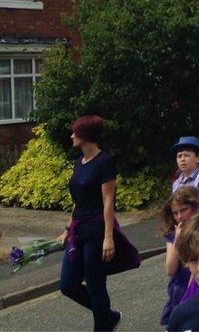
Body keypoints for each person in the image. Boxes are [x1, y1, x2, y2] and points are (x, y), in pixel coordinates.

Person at [58, 115, 137, 331]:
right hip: (78, 230)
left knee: (95, 286)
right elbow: (78, 201)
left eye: (76, 132)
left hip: (96, 231)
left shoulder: (104, 162)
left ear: (87, 135)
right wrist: (67, 229)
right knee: (67, 285)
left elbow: (108, 202)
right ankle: (108, 316)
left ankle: (102, 325)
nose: (72, 135)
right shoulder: (79, 163)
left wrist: (108, 238)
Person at [160, 187, 199, 326]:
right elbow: (170, 270)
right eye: (175, 213)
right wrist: (178, 240)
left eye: (183, 210)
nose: (179, 216)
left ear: (195, 208)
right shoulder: (174, 233)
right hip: (180, 288)